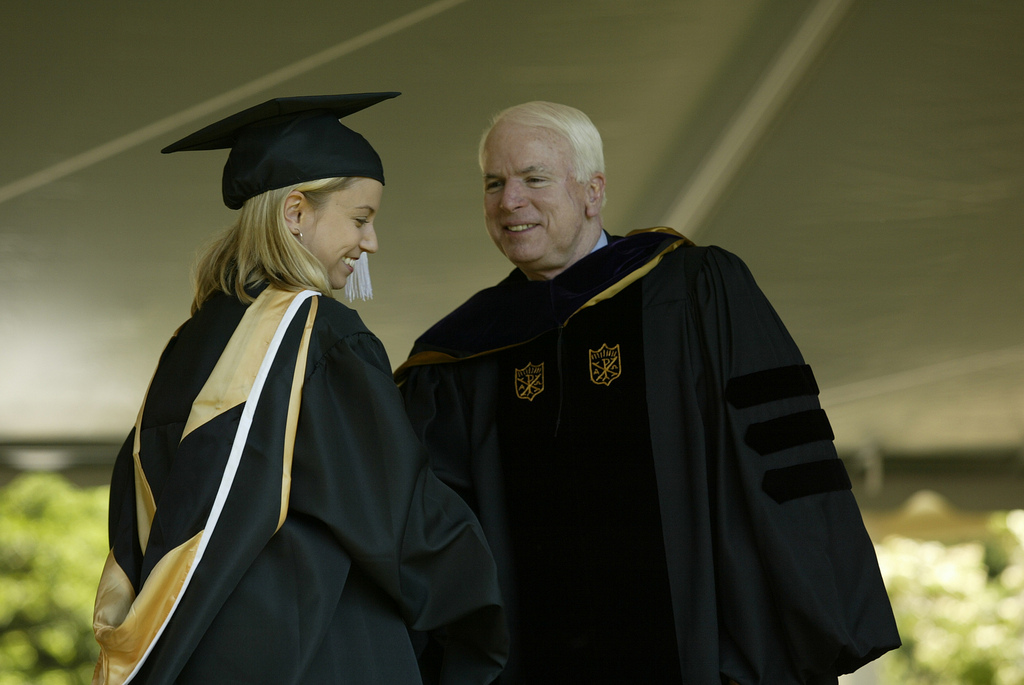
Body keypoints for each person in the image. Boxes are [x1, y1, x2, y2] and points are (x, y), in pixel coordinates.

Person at [396, 101, 900, 684]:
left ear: (593, 191)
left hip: (698, 652)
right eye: (494, 183)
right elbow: (438, 533)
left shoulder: (695, 296)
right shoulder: (462, 355)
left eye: (534, 179)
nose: (510, 201)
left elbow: (777, 468)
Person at [91, 93, 508, 685]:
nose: (371, 243)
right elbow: (402, 516)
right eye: (360, 218)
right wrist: (484, 616)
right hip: (320, 654)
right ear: (295, 213)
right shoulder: (322, 337)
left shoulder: (186, 346)